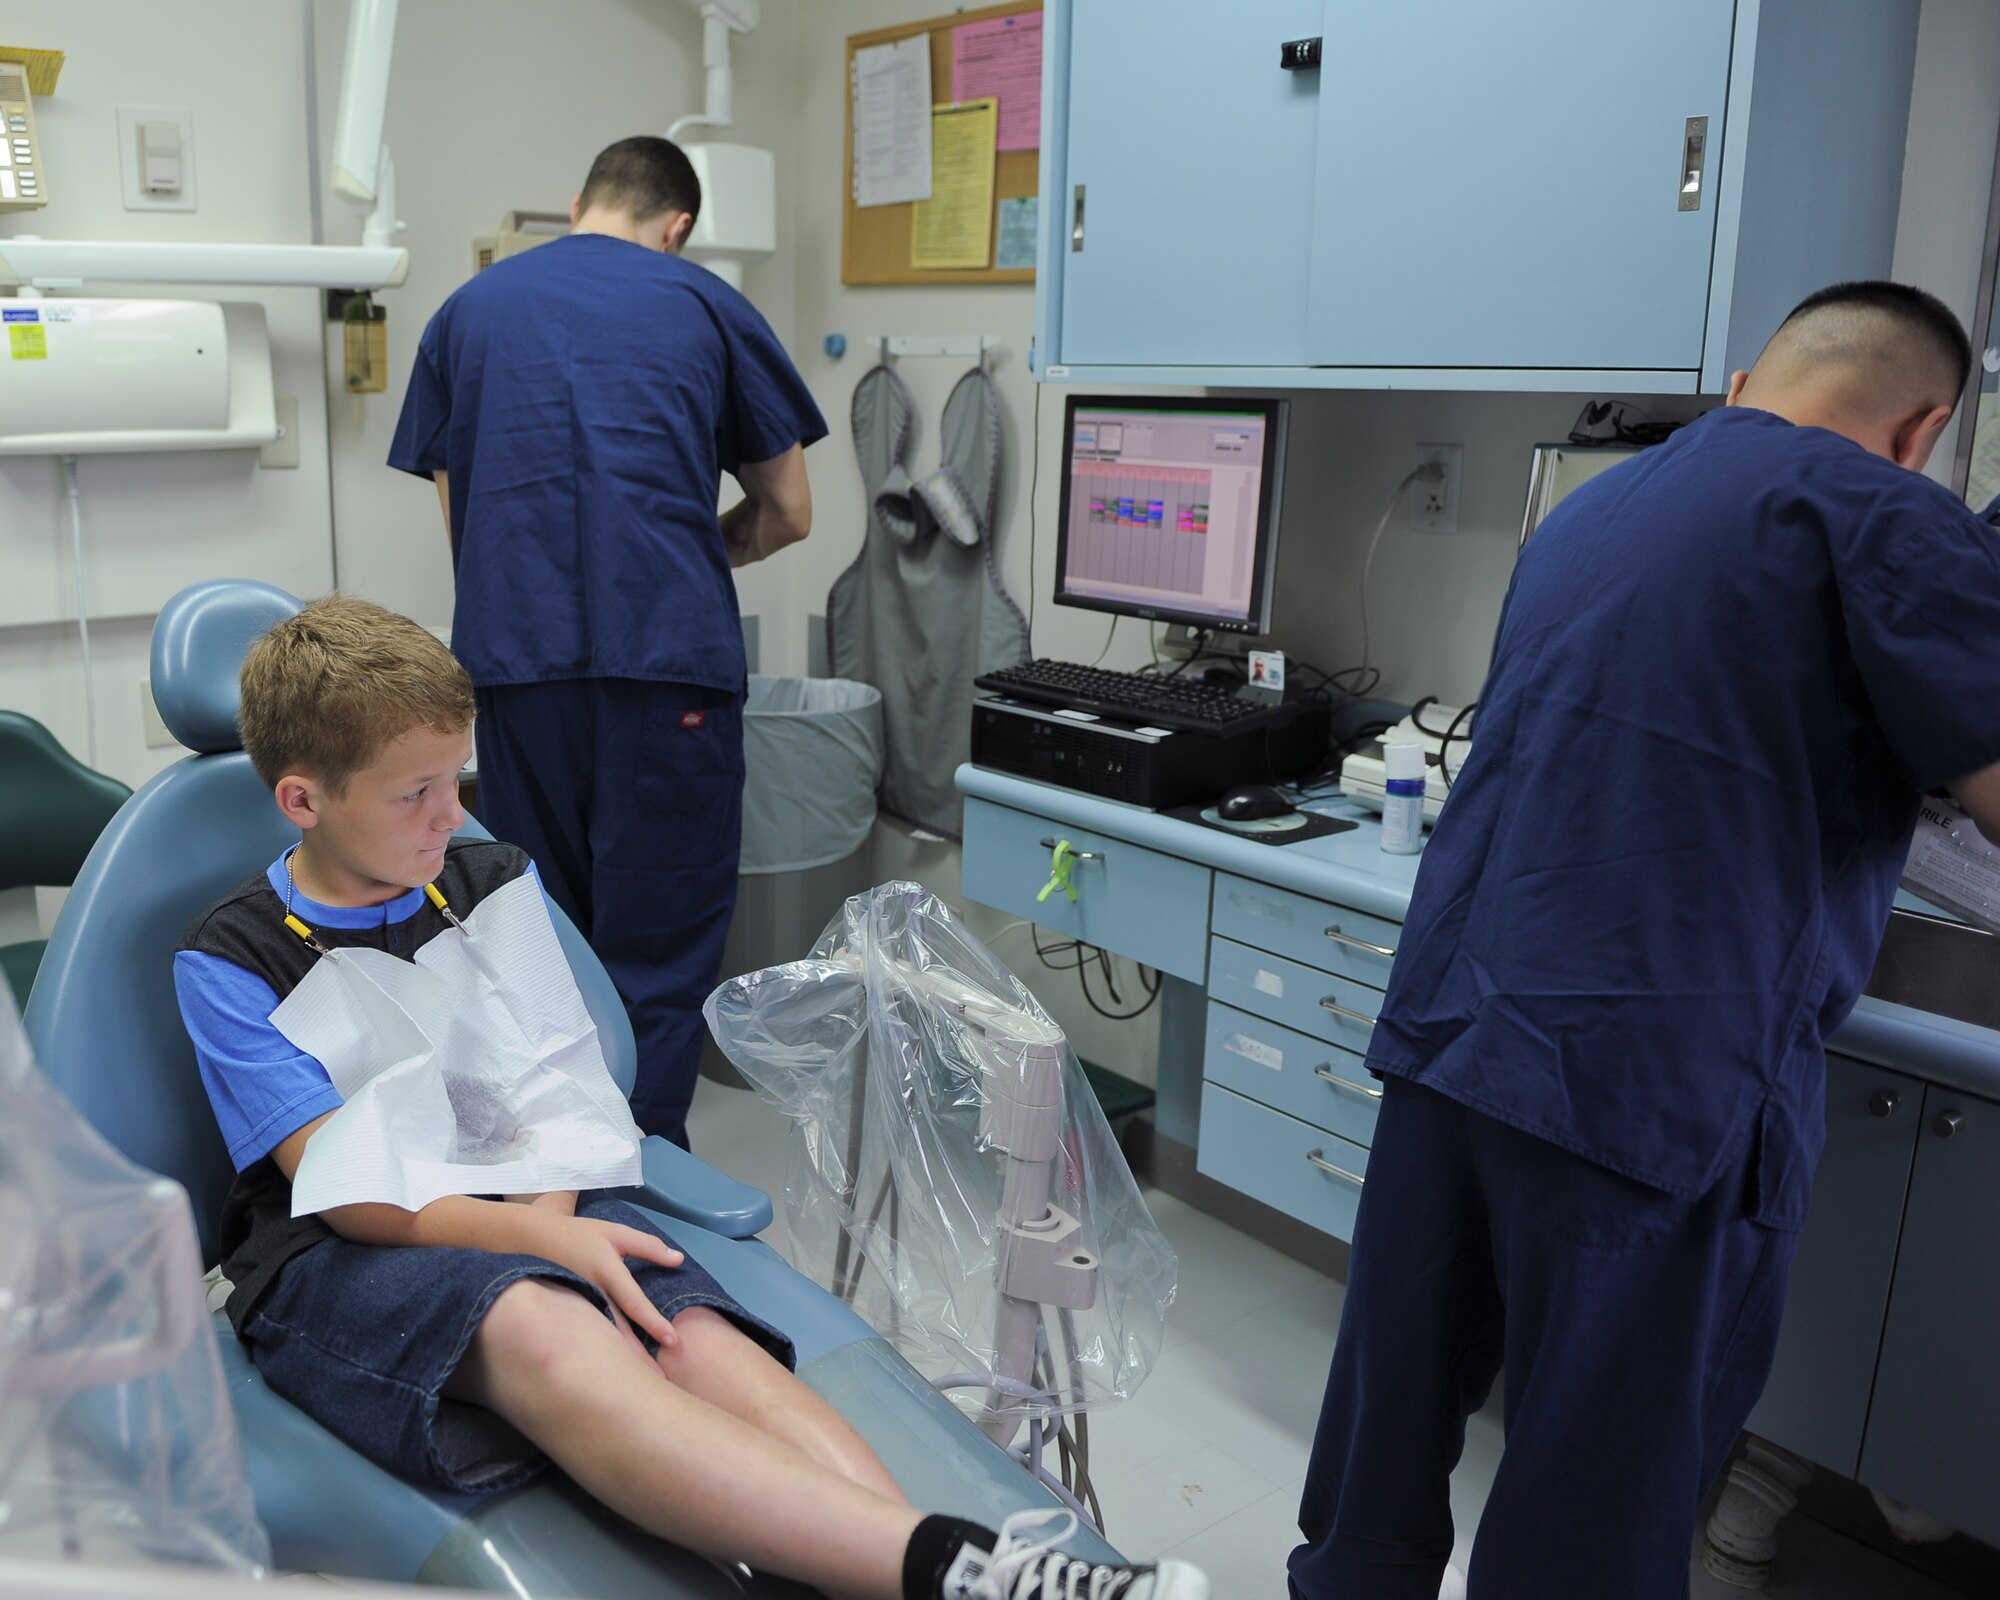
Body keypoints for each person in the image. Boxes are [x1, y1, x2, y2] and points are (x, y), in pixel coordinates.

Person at [172, 595, 1206, 1600]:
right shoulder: (232, 958)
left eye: (457, 778)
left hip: (541, 1187)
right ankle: (950, 1567)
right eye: (415, 795)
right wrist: (550, 1248)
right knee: (552, 1327)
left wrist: (551, 1217)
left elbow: (560, 1093)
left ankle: (956, 1570)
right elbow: (343, 1189)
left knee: (693, 1338)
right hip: (350, 1248)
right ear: (304, 800)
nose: (452, 813)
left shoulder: (486, 878)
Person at [1289, 281, 2000, 1600]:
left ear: (1747, 388)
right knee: (1593, 1504)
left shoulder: (1596, 505)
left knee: (1381, 1455)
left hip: (1458, 1035)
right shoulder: (1890, 517)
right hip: (1652, 1080)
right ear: (1924, 431)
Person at [388, 135, 822, 1146]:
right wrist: (691, 553)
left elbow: (463, 520)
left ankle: (556, 1174)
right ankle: (646, 1190)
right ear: (677, 227)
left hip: (514, 665)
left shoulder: (468, 312)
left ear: (578, 199)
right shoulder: (708, 303)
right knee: (657, 954)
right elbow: (790, 510)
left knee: (542, 940)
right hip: (666, 662)